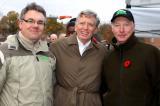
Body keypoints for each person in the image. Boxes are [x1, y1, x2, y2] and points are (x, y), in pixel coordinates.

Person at [0, 3, 56, 106]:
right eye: (30, 21)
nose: (35, 25)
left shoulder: (49, 55)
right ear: (20, 24)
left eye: (40, 22)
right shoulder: (4, 53)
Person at [102, 9, 160, 106]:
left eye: (126, 24)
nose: (121, 30)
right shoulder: (108, 57)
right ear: (112, 28)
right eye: (117, 25)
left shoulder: (150, 53)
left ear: (133, 27)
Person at [50, 10, 108, 106]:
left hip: (91, 102)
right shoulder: (57, 47)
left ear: (96, 29)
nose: (85, 28)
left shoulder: (102, 52)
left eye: (90, 24)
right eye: (82, 23)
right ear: (76, 26)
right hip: (63, 101)